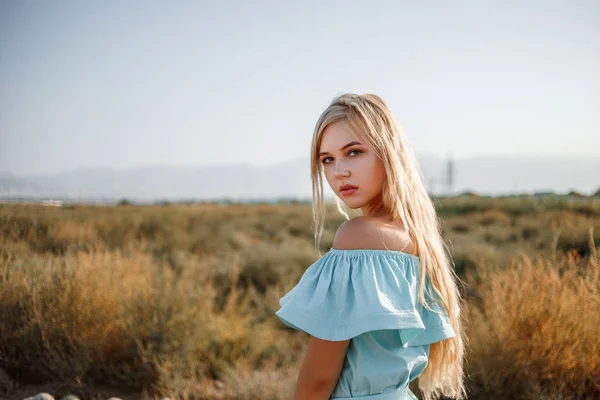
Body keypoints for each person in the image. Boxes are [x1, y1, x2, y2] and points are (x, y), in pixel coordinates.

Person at [275, 93, 467, 400]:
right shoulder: (418, 237)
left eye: (353, 152)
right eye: (328, 159)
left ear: (388, 152)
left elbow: (317, 383)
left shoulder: (358, 236)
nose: (339, 171)